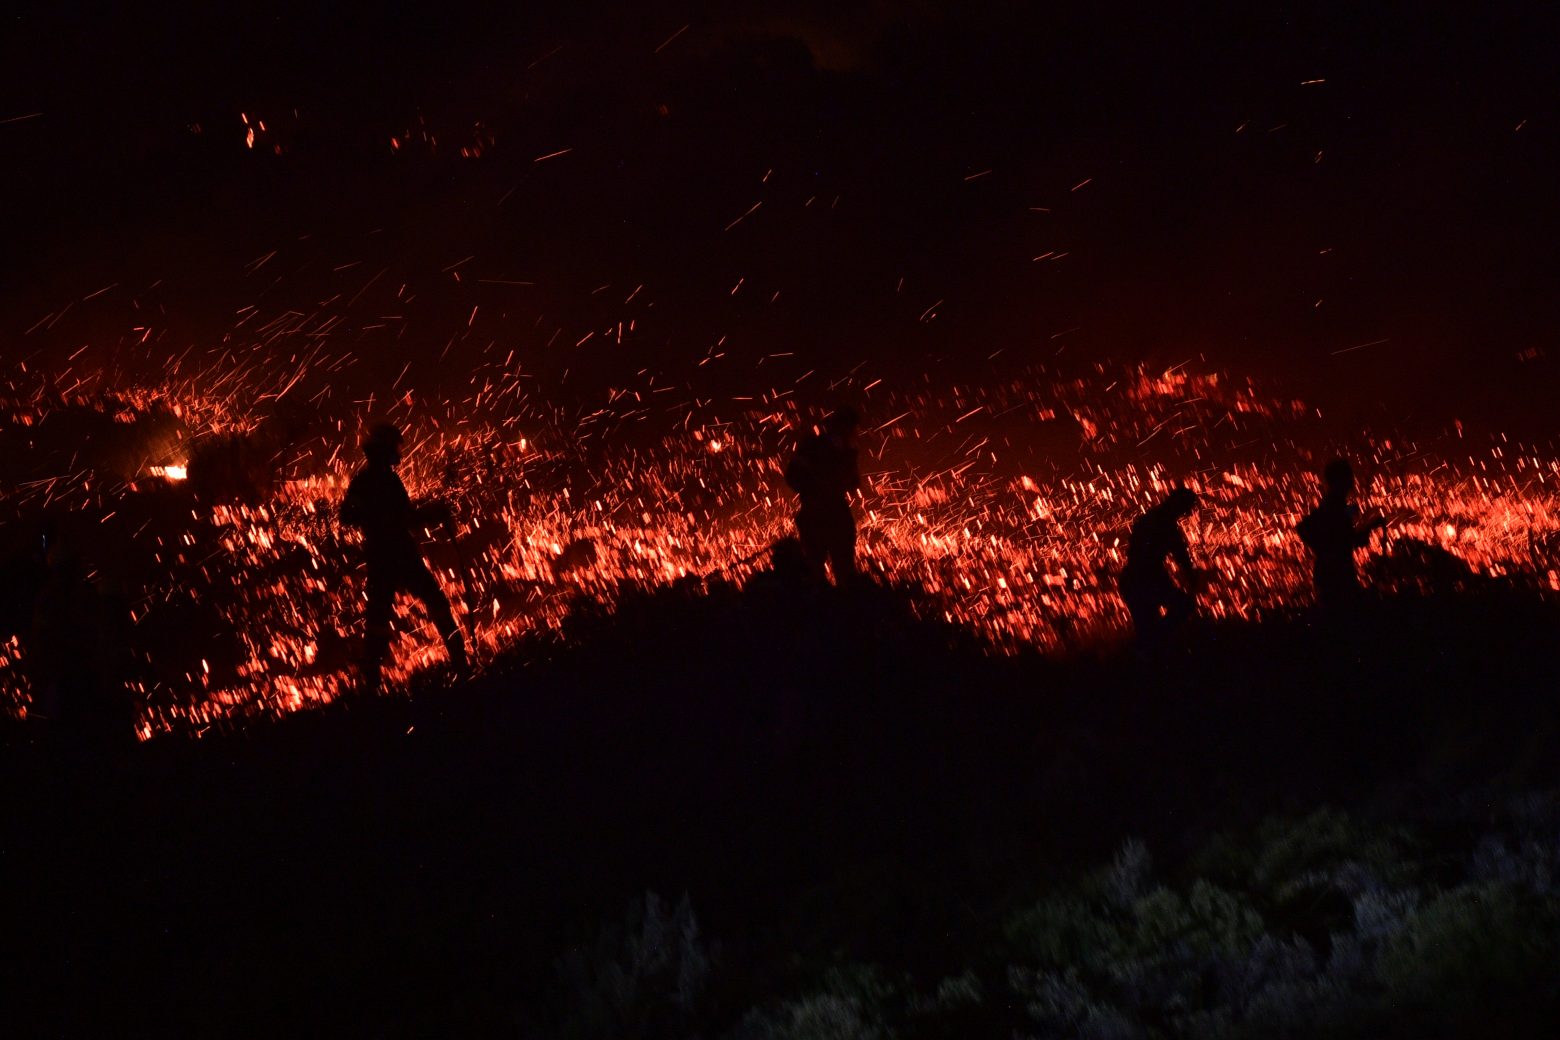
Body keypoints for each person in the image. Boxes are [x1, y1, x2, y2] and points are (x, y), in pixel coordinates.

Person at [340, 424, 467, 690]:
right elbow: (401, 517)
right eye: (396, 446)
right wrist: (433, 513)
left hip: (379, 555)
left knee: (378, 617)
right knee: (436, 602)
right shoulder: (381, 480)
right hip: (397, 554)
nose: (400, 451)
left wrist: (375, 516)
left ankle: (371, 683)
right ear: (385, 450)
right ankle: (461, 664)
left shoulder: (367, 479)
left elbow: (349, 515)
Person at [784, 407, 861, 583]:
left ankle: (837, 602)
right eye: (850, 428)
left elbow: (853, 482)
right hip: (816, 515)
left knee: (842, 568)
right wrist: (816, 487)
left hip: (834, 516)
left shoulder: (847, 451)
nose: (853, 432)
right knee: (816, 569)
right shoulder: (813, 446)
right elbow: (792, 475)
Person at [1297, 457, 1386, 609]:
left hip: (1330, 572)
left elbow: (1344, 536)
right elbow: (1349, 538)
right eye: (1348, 476)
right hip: (1338, 574)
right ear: (1340, 480)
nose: (1352, 480)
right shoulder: (1334, 506)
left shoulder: (1335, 505)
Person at [1120, 487, 1200, 639]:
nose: (1185, 513)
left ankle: (1150, 646)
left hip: (1133, 579)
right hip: (1145, 579)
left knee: (1147, 630)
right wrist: (1191, 575)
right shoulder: (1165, 525)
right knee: (1182, 607)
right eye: (1185, 508)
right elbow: (1180, 555)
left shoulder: (1150, 519)